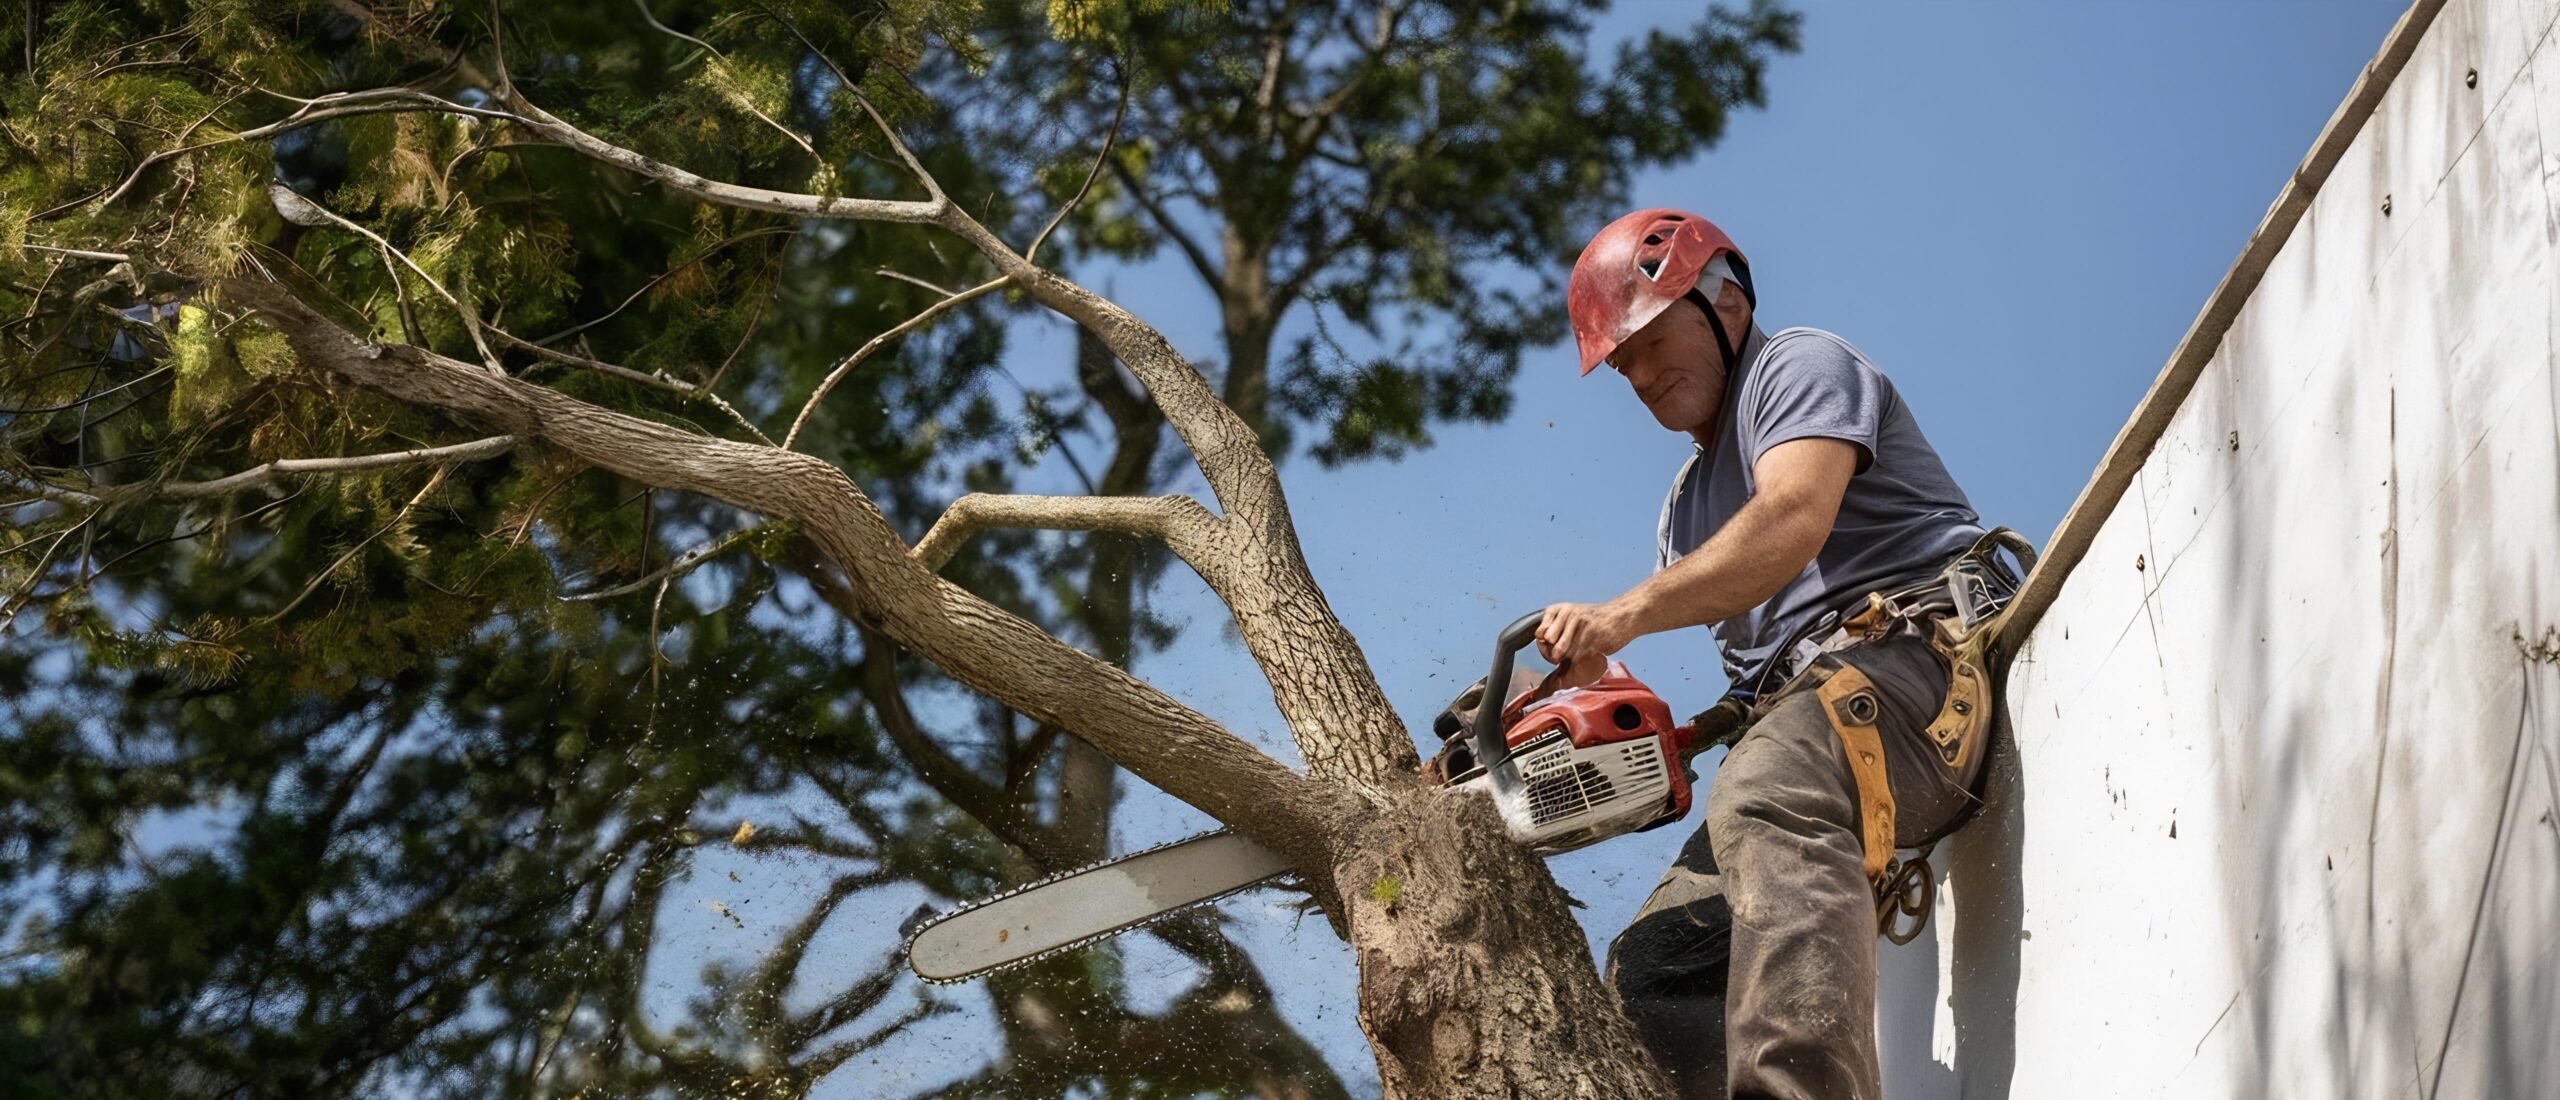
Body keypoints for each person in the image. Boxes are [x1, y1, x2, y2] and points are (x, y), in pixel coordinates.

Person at [1527, 208, 2024, 1099]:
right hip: (1813, 716)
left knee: (1764, 792)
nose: (1638, 375)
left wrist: (1623, 614)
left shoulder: (1797, 367)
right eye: (1621, 363)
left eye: (1647, 340)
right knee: (1654, 968)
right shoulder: (1684, 508)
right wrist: (1586, 679)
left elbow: (1791, 520)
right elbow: (1744, 667)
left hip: (1919, 667)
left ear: (1722, 298)